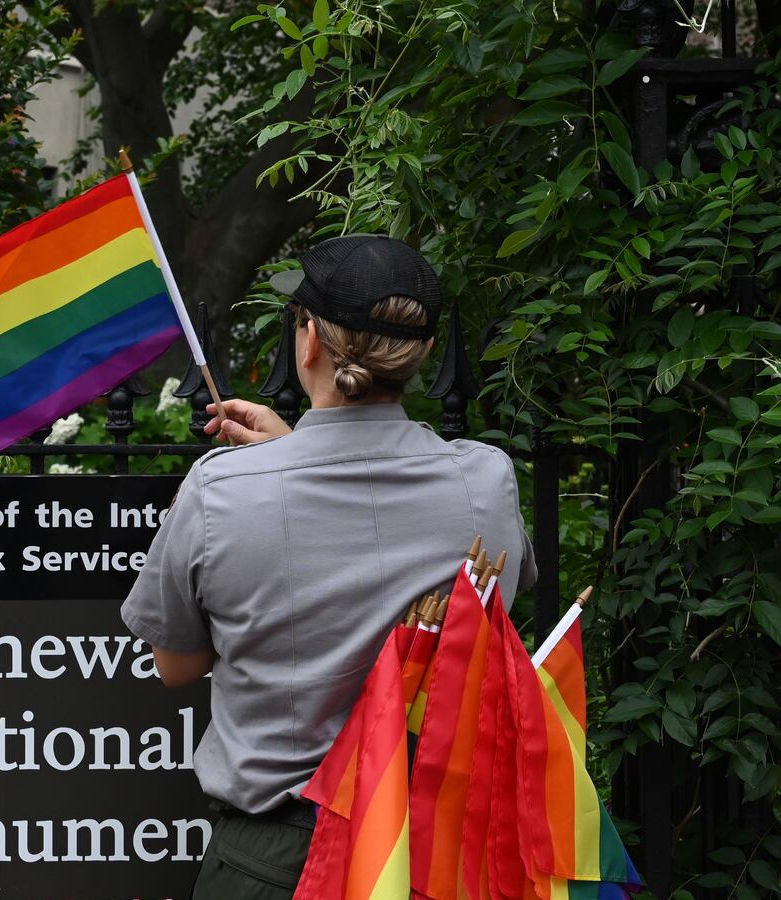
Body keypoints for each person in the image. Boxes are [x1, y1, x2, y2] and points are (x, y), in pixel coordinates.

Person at [120, 235, 536, 899]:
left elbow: (176, 665)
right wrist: (287, 458)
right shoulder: (486, 481)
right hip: (436, 858)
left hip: (275, 861)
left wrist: (265, 472)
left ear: (306, 341)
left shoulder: (220, 490)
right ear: (423, 354)